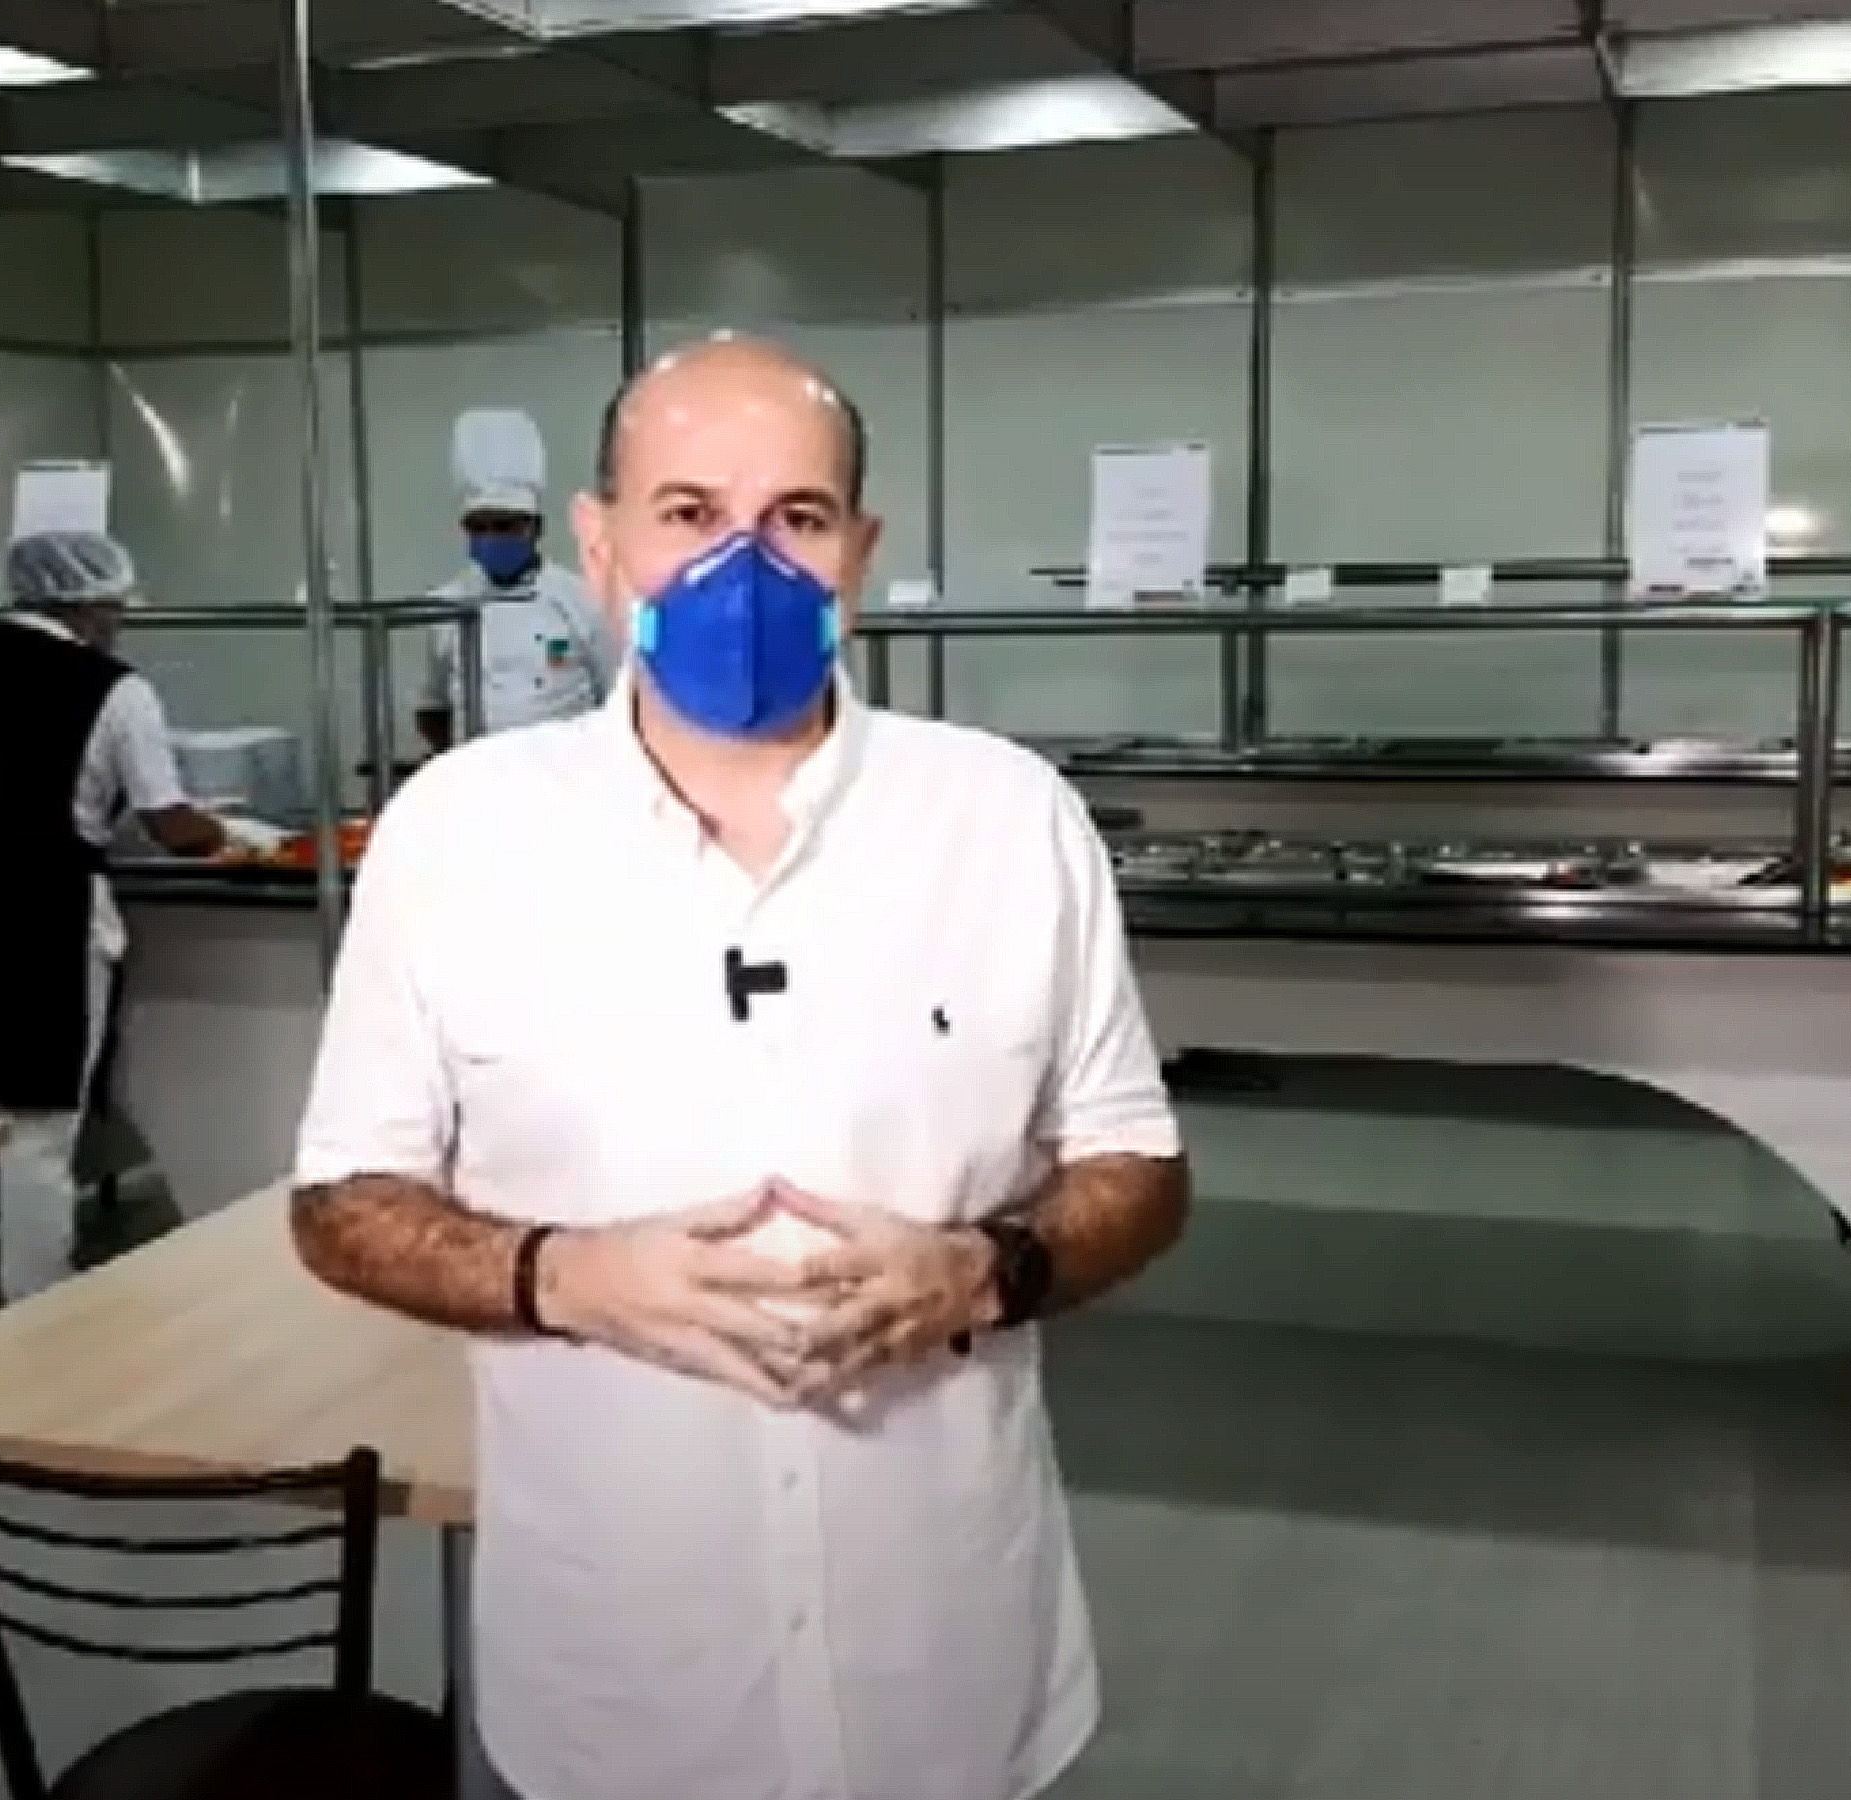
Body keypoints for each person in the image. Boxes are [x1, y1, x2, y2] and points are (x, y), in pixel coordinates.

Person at [287, 337, 1192, 1800]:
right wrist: (562, 1278)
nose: (744, 566)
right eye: (690, 513)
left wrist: (987, 1271)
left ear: (859, 554)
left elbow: (1137, 1168)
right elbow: (342, 1204)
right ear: (600, 547)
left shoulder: (1007, 822)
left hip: (947, 1659)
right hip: (618, 1673)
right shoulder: (459, 837)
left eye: (797, 518)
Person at [0, 529, 280, 1321]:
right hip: (40, 925)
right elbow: (170, 824)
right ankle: (36, 1321)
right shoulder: (115, 689)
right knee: (34, 1136)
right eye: (117, 607)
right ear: (94, 605)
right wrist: (240, 834)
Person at [412, 407, 614, 754]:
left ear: (536, 528)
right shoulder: (447, 607)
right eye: (479, 527)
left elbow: (615, 700)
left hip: (566, 775)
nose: (491, 537)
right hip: (478, 775)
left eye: (504, 526)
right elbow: (433, 708)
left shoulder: (582, 600)